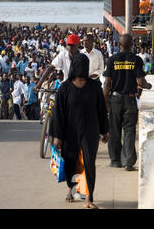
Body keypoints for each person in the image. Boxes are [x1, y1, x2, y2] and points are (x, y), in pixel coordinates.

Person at [50, 53, 109, 209]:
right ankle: (71, 189)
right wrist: (57, 135)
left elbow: (101, 109)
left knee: (89, 163)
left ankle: (88, 198)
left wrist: (105, 131)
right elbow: (58, 113)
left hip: (90, 131)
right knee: (71, 161)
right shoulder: (65, 88)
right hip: (70, 132)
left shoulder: (94, 86)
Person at [103, 34, 152, 171]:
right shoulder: (136, 60)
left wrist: (104, 101)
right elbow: (141, 82)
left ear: (120, 44)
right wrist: (148, 86)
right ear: (131, 45)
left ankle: (115, 160)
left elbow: (107, 83)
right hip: (130, 99)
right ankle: (128, 162)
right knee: (129, 130)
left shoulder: (112, 60)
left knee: (114, 130)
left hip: (115, 99)